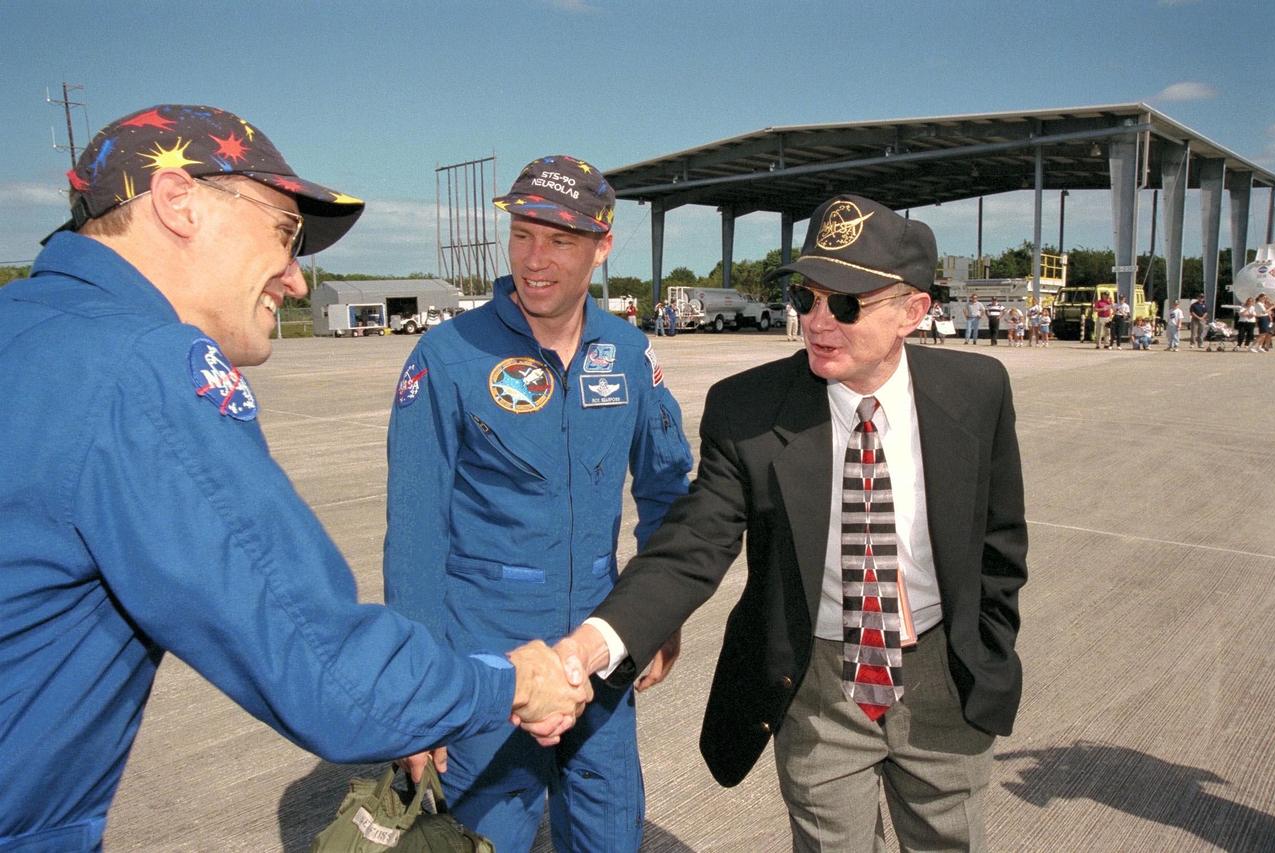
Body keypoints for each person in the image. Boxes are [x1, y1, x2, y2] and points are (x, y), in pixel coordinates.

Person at [0, 105, 589, 852]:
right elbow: (328, 671)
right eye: (284, 233)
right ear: (178, 201)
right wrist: (508, 684)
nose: (298, 279)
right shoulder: (141, 368)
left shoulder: (25, 325)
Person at [558, 194, 1028, 851]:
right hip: (819, 688)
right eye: (806, 297)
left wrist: (986, 644)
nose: (816, 321)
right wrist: (592, 644)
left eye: (845, 303)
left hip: (940, 683)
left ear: (912, 312)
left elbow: (1000, 544)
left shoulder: (977, 392)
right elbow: (693, 544)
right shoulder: (747, 409)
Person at [383, 155, 694, 853]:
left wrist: (656, 614)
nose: (536, 259)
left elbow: (667, 490)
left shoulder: (627, 353)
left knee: (612, 835)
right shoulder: (447, 357)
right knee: (480, 839)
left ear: (602, 246)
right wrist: (419, 693)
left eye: (560, 240)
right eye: (523, 234)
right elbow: (415, 535)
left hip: (599, 651)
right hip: (483, 661)